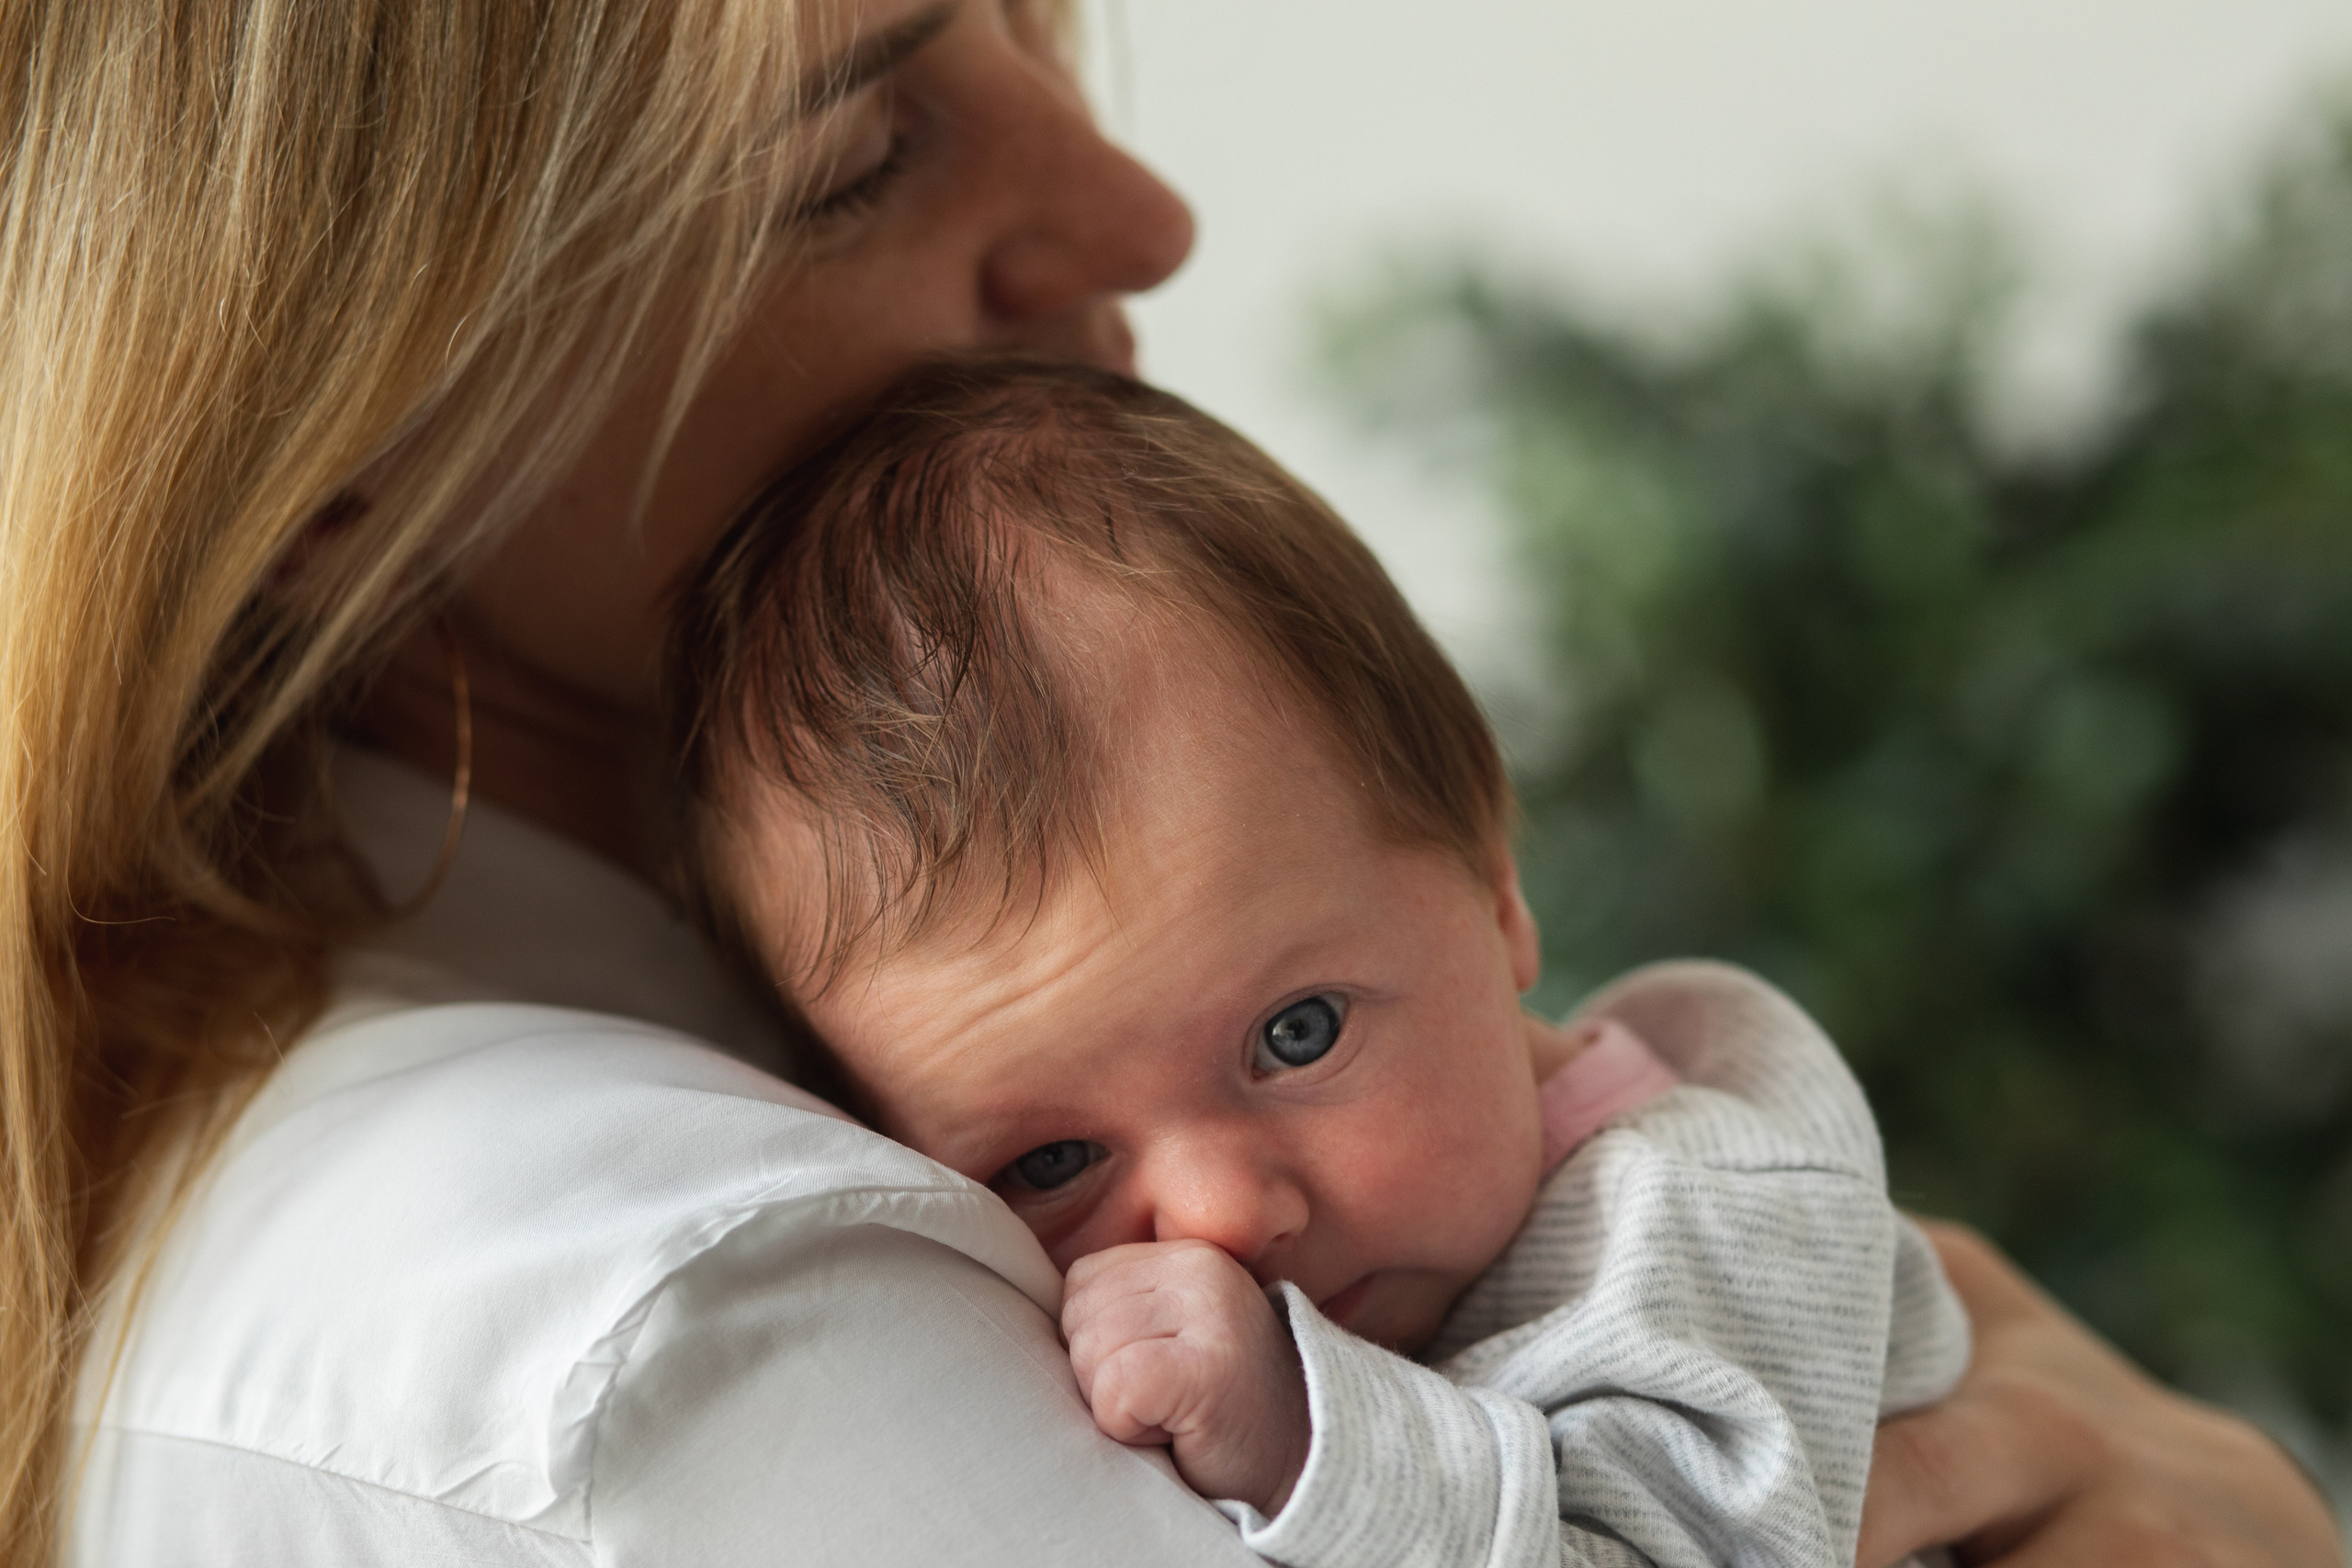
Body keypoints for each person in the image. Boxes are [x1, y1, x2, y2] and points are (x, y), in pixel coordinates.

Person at [1, 1, 2336, 1563]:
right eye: (849, 156)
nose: (1136, 220)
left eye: (1032, 7)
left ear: (1496, 890)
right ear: (317, 444)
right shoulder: (684, 1302)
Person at [664, 355, 1976, 1566]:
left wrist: (1307, 1442)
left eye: (1298, 1033)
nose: (1222, 1219)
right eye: (1050, 1164)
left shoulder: (1698, 1216)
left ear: (1491, 874)